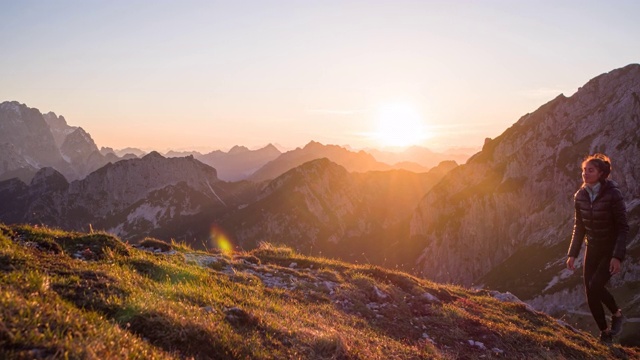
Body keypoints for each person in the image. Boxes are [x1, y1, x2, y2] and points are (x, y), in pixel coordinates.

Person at [566, 153, 629, 343]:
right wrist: (572, 254)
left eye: (590, 170)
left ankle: (617, 314)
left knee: (595, 286)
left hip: (609, 248)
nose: (585, 173)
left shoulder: (613, 194)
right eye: (583, 170)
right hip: (592, 248)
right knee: (589, 292)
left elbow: (623, 227)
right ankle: (605, 332)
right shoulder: (580, 195)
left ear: (601, 173)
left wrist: (617, 256)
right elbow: (580, 227)